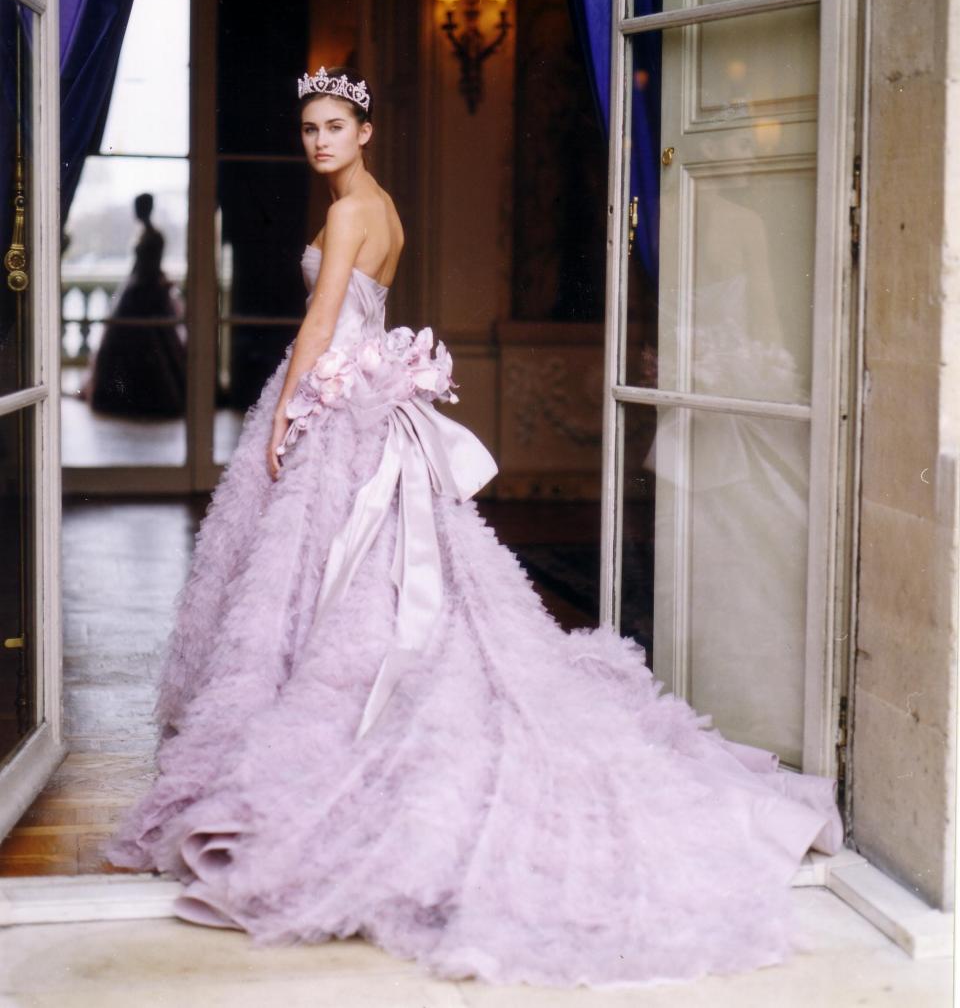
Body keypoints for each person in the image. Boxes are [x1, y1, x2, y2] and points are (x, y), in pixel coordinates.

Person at [107, 65, 844, 991]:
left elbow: (324, 319)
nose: (320, 141)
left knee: (331, 569)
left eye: (334, 125)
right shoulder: (387, 208)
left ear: (364, 132)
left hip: (339, 404)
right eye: (309, 129)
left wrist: (288, 410)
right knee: (370, 572)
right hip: (373, 400)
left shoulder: (346, 215)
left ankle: (343, 708)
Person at [80, 192, 187, 417]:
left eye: (140, 208)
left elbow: (149, 267)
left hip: (145, 293)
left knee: (145, 346)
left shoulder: (154, 235)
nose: (137, 212)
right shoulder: (148, 234)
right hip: (140, 291)